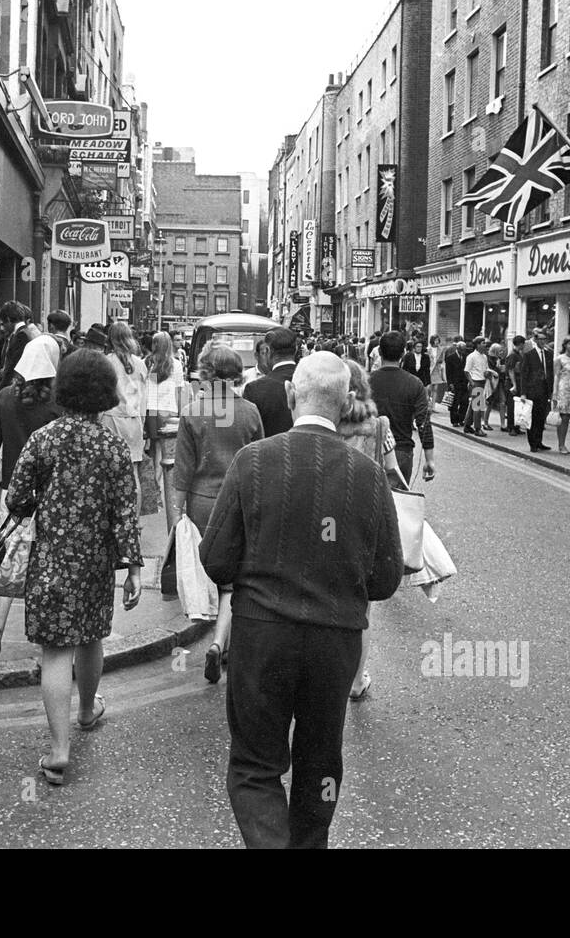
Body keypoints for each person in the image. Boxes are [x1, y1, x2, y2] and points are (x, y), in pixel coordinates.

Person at [199, 352, 402, 849]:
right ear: (347, 401)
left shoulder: (253, 461)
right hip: (335, 641)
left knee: (255, 765)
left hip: (262, 634)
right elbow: (385, 578)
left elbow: (217, 559)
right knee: (320, 763)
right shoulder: (369, 475)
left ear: (292, 394)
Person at [5, 350, 143, 785]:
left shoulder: (43, 439)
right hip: (95, 562)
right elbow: (125, 512)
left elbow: (16, 499)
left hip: (50, 559)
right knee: (90, 637)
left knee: (55, 652)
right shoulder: (113, 447)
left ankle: (59, 751)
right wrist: (134, 569)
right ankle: (86, 710)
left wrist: (43, 502)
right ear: (105, 392)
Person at [0, 335, 62, 662]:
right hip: (49, 493)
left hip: (12, 491)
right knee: (45, 562)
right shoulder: (58, 403)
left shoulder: (6, 397)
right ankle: (45, 635)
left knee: (6, 558)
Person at [173, 345, 264, 685]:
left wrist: (177, 516)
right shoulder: (250, 412)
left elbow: (182, 472)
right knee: (232, 579)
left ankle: (214, 636)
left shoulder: (191, 413)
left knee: (206, 572)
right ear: (236, 375)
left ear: (207, 374)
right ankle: (219, 643)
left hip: (200, 501)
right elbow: (258, 463)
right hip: (238, 501)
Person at [338, 360, 406, 702]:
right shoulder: (379, 426)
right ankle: (356, 681)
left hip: (327, 520)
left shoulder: (326, 422)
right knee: (362, 607)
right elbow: (392, 472)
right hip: (365, 523)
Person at [369, 331, 437, 484]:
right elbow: (423, 423)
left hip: (370, 449)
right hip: (401, 452)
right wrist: (429, 460)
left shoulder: (366, 382)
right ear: (403, 353)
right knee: (399, 498)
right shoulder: (415, 384)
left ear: (380, 352)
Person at [143, 331, 188, 530]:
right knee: (168, 452)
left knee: (154, 451)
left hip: (151, 409)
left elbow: (146, 389)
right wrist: (179, 411)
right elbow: (178, 391)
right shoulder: (175, 364)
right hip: (168, 409)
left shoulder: (148, 363)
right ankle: (162, 490)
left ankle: (154, 491)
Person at [101, 322, 147, 512]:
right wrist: (143, 424)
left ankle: (111, 518)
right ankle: (133, 519)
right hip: (134, 420)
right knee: (133, 472)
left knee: (108, 473)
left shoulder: (106, 362)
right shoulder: (140, 363)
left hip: (111, 418)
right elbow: (144, 398)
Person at [243, 327, 299, 436]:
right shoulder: (311, 382)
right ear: (296, 349)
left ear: (268, 351)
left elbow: (249, 432)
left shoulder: (254, 389)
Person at [518, 328, 553, 452]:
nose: (543, 341)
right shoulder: (529, 355)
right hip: (532, 391)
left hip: (544, 391)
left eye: (545, 339)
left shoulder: (549, 354)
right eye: (540, 339)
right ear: (536, 340)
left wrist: (551, 391)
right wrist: (523, 393)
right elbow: (524, 375)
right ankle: (532, 443)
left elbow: (551, 374)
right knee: (532, 417)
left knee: (541, 418)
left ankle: (539, 442)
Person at [551, 336, 570, 454]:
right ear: (565, 345)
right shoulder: (559, 359)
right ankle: (561, 445)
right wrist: (555, 392)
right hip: (563, 389)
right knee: (563, 417)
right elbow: (556, 376)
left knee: (568, 417)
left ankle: (563, 444)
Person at [463, 337, 490, 437]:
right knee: (478, 406)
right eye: (483, 343)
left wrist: (487, 373)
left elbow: (486, 369)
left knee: (473, 405)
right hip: (476, 382)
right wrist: (471, 382)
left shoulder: (484, 357)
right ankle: (477, 429)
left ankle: (467, 425)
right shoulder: (471, 356)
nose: (485, 345)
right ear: (478, 345)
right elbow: (466, 371)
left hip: (482, 381)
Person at [503, 335, 526, 434]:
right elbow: (511, 370)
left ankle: (516, 427)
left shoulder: (518, 354)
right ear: (520, 344)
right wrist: (514, 385)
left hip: (518, 382)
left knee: (517, 406)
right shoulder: (513, 355)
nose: (524, 346)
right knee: (512, 406)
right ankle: (511, 427)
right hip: (512, 383)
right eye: (523, 344)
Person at [444, 335, 468, 427]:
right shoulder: (450, 358)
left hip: (464, 383)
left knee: (464, 402)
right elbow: (448, 372)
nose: (463, 352)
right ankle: (454, 421)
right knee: (454, 403)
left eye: (464, 350)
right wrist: (450, 383)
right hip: (455, 383)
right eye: (462, 350)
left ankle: (461, 419)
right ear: (457, 349)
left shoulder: (466, 357)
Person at [427, 335, 446, 411]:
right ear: (432, 341)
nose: (437, 342)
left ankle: (433, 406)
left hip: (437, 370)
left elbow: (442, 360)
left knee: (435, 388)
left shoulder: (441, 349)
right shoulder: (428, 349)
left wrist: (439, 361)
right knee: (428, 388)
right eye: (435, 340)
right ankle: (428, 403)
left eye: (438, 340)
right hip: (429, 370)